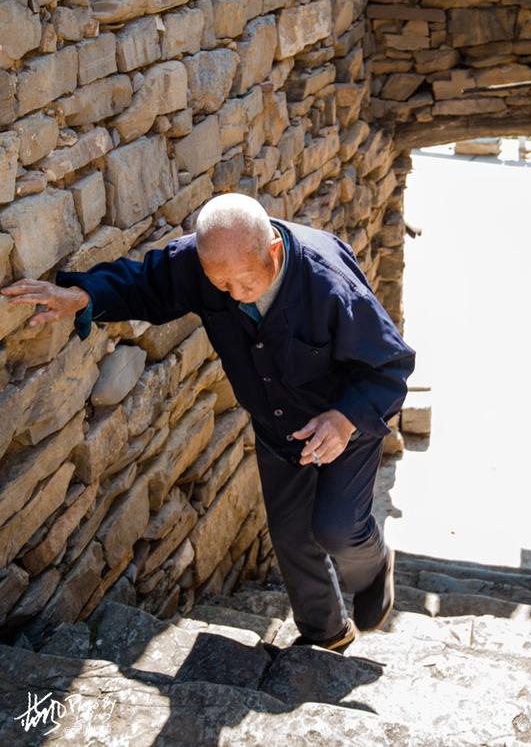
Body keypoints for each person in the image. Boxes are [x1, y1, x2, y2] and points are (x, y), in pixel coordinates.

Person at [2, 193, 416, 652]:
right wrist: (84, 295)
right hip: (278, 426)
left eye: (245, 282)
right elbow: (147, 283)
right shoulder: (209, 264)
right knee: (291, 535)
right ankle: (327, 635)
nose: (235, 295)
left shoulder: (331, 285)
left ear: (274, 251)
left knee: (337, 528)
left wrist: (343, 420)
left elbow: (390, 367)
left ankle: (374, 565)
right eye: (222, 285)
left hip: (346, 421)